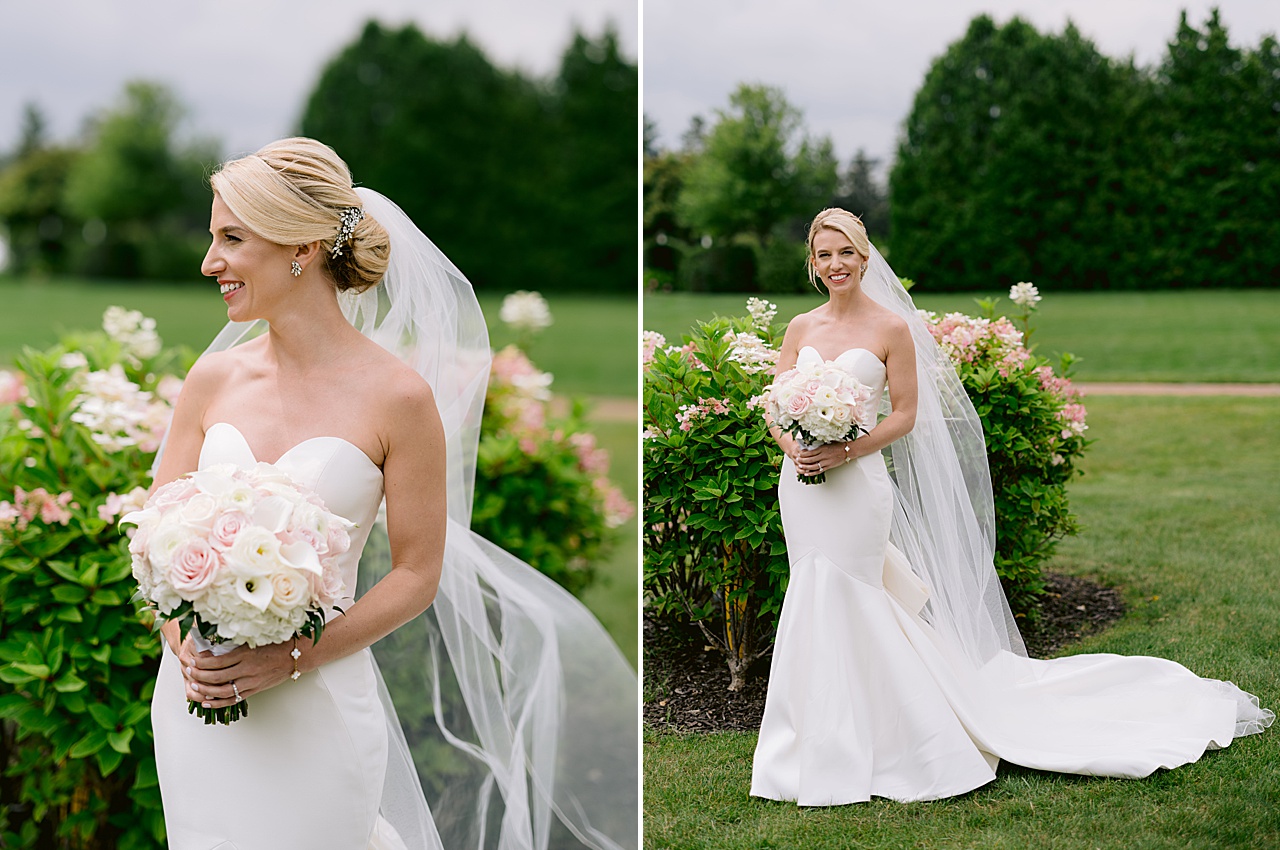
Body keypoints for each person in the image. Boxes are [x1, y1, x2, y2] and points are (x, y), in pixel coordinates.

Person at [148, 138, 636, 849]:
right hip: (197, 703)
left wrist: (288, 658)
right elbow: (155, 540)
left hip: (316, 704)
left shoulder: (398, 398)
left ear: (300, 248)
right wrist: (183, 647)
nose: (209, 262)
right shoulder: (212, 382)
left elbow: (416, 573)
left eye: (231, 238)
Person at [749, 207, 1272, 806]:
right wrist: (796, 446)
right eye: (823, 254)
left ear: (865, 258)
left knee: (855, 594)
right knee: (811, 593)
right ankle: (804, 741)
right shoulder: (799, 328)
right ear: (812, 264)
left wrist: (844, 451)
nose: (835, 264)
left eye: (845, 252)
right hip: (804, 487)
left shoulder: (891, 328)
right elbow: (775, 403)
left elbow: (904, 416)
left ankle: (891, 740)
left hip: (857, 483)